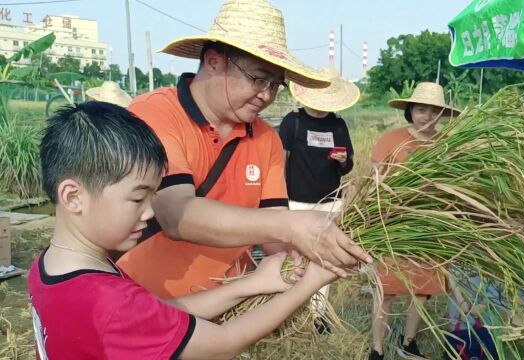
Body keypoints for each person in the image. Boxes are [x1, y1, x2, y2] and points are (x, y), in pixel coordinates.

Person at [29, 101, 339, 359]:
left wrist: (253, 283)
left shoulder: (50, 268)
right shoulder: (106, 301)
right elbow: (225, 343)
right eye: (137, 198)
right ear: (73, 197)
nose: (150, 212)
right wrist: (313, 279)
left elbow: (159, 313)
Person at [116, 0, 371, 299]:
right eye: (258, 79)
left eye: (276, 85)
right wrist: (291, 226)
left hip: (228, 304)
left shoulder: (265, 139)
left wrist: (320, 252)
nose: (266, 95)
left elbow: (274, 231)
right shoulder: (155, 113)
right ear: (214, 61)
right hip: (147, 302)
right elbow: (176, 214)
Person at [369, 82, 460, 359]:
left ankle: (408, 342)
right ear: (410, 110)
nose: (427, 117)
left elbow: (454, 183)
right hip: (394, 223)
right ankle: (377, 348)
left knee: (422, 290)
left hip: (430, 225)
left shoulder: (447, 144)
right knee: (386, 289)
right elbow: (374, 181)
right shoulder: (391, 139)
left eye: (434, 111)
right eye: (421, 110)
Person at [280, 65, 359, 333]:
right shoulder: (294, 122)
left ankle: (318, 314)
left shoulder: (337, 124)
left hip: (330, 201)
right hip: (298, 202)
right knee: (297, 257)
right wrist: (280, 198)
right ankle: (291, 309)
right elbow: (282, 161)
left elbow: (348, 166)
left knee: (325, 258)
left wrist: (343, 160)